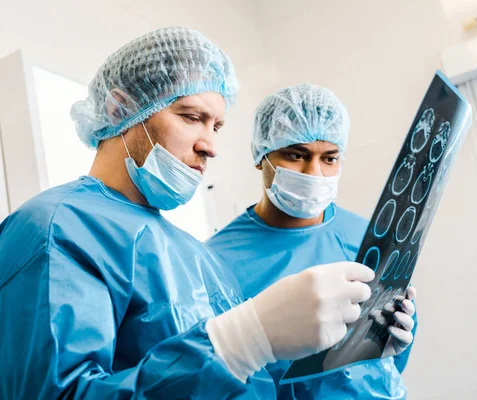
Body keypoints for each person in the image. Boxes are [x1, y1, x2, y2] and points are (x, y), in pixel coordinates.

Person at [0, 28, 375, 399]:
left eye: (217, 126)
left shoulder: (192, 254)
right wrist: (240, 342)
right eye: (192, 117)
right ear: (120, 108)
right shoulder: (57, 227)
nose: (209, 145)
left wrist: (355, 350)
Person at [208, 83, 418, 399]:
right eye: (296, 155)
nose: (314, 173)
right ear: (260, 154)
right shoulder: (214, 261)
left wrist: (395, 340)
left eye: (330, 158)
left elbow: (387, 363)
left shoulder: (368, 236)